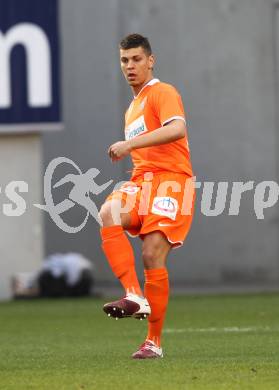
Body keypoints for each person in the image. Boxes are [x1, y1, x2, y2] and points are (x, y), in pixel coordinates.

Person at [99, 33, 195, 359]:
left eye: (137, 59)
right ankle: (133, 294)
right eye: (125, 60)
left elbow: (177, 128)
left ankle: (153, 341)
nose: (130, 66)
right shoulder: (132, 107)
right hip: (142, 182)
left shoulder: (161, 92)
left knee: (152, 254)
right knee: (108, 213)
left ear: (150, 60)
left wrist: (129, 145)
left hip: (172, 182)